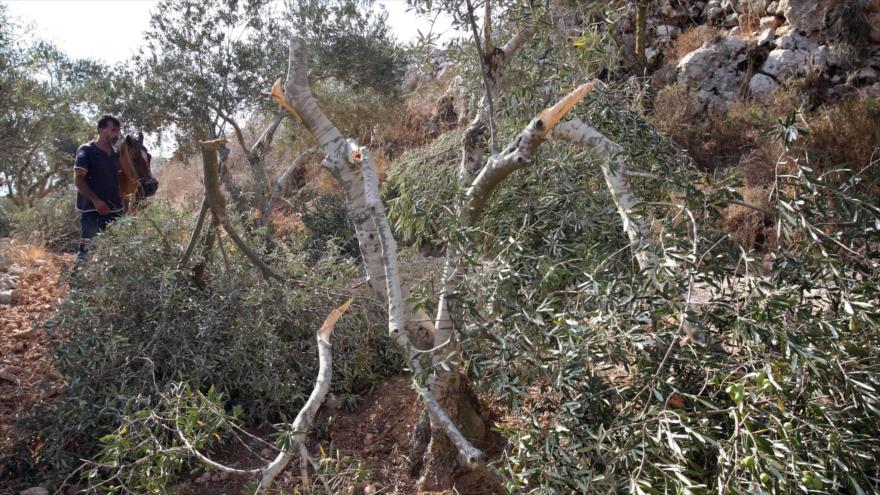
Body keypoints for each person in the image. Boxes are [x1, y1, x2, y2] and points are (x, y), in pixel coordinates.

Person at [74, 114, 124, 261]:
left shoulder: (116, 154)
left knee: (117, 253)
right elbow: (78, 180)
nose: (117, 134)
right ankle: (78, 276)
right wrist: (96, 200)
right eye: (113, 130)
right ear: (101, 130)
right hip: (92, 211)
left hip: (115, 210)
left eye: (118, 130)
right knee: (86, 253)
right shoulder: (86, 150)